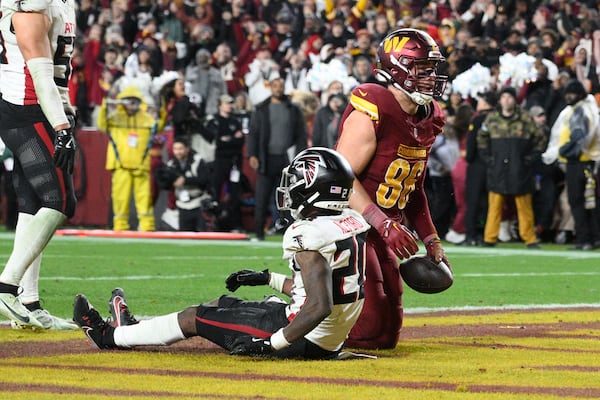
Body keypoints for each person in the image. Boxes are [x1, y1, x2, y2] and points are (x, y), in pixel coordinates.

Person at [73, 148, 371, 360]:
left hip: (300, 336)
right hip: (325, 337)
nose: (289, 190)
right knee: (224, 303)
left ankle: (107, 337)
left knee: (194, 317)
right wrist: (268, 278)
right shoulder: (351, 222)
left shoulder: (308, 232)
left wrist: (272, 344)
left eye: (294, 183)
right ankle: (133, 330)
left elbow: (318, 304)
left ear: (314, 188)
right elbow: (323, 287)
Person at [335, 28, 451, 349]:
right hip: (347, 225)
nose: (431, 78)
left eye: (432, 70)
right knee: (367, 331)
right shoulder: (374, 108)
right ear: (397, 68)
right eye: (422, 70)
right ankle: (293, 311)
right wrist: (383, 223)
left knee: (386, 335)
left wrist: (431, 238)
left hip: (381, 228)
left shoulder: (427, 118)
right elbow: (339, 179)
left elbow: (414, 188)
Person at [0, 0, 79, 330]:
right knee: (59, 200)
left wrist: (66, 111)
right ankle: (6, 287)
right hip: (27, 107)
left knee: (32, 205)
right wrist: (61, 128)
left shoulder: (62, 3)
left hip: (41, 107)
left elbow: (58, 74)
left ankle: (29, 300)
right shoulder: (30, 8)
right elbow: (41, 75)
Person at [477, 86, 547, 248]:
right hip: (498, 168)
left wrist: (530, 159)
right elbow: (481, 138)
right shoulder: (491, 119)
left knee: (524, 206)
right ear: (500, 100)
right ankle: (489, 238)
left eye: (510, 97)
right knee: (494, 206)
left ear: (515, 100)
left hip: (519, 168)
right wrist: (488, 159)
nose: (506, 100)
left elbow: (540, 139)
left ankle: (530, 238)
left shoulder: (525, 119)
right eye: (504, 97)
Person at [247, 76, 307, 240]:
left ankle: (289, 233)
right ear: (270, 88)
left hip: (286, 160)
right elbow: (253, 134)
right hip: (266, 159)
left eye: (281, 86)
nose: (278, 89)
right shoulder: (261, 109)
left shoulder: (293, 110)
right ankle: (259, 233)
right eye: (275, 86)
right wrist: (252, 154)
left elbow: (301, 136)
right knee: (261, 197)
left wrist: (300, 158)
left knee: (289, 199)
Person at [543, 80, 600, 250]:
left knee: (577, 201)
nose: (569, 96)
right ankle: (594, 237)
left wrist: (563, 151)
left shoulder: (579, 111)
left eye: (572, 93)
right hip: (587, 163)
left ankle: (584, 239)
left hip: (578, 163)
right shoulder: (585, 108)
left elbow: (579, 136)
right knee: (589, 202)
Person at [97, 85, 160, 232]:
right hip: (121, 166)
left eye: (135, 101)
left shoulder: (147, 119)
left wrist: (159, 111)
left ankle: (147, 227)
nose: (132, 104)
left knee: (145, 199)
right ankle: (120, 227)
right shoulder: (114, 118)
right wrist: (105, 105)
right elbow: (101, 125)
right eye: (128, 101)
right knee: (120, 199)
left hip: (141, 166)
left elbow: (159, 126)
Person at [154, 137, 214, 232]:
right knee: (185, 235)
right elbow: (166, 185)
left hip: (198, 203)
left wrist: (185, 180)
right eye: (175, 149)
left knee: (202, 235)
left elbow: (204, 180)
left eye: (180, 149)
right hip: (182, 205)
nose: (178, 152)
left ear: (187, 149)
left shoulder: (197, 160)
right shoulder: (171, 164)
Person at [204, 94, 245, 232]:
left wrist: (229, 140)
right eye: (227, 103)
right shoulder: (214, 120)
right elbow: (216, 141)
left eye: (231, 103)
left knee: (234, 194)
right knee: (215, 193)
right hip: (219, 161)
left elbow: (240, 141)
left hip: (234, 161)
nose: (230, 106)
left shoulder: (236, 121)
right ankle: (214, 224)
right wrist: (232, 139)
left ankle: (234, 225)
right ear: (220, 105)